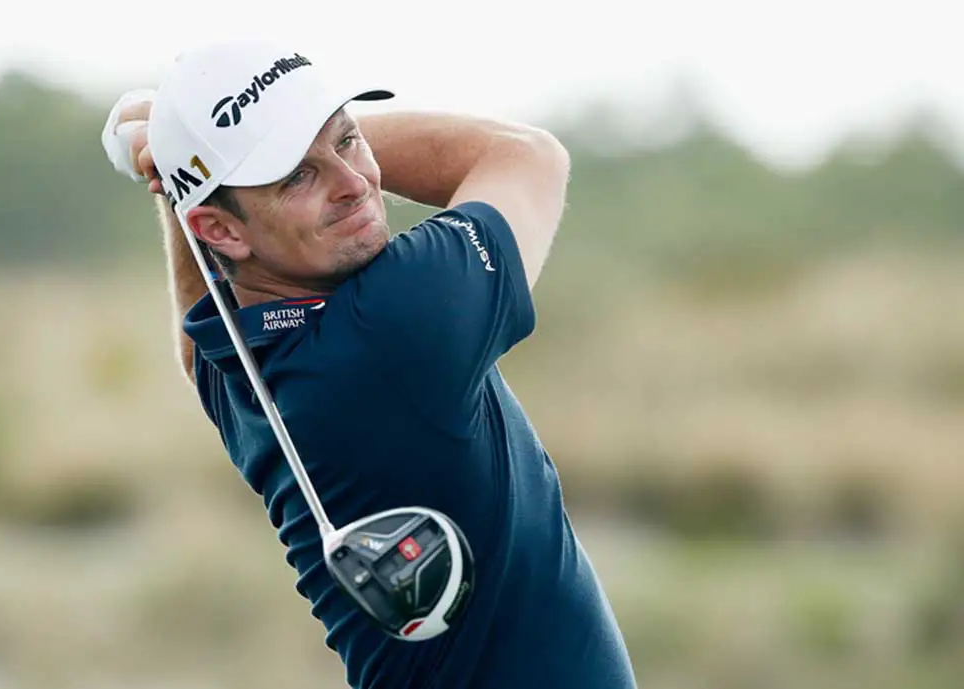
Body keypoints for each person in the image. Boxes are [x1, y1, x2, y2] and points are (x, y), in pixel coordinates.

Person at [104, 38, 637, 689]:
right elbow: (525, 155)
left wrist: (190, 166)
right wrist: (194, 151)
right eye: (297, 175)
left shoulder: (241, 359)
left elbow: (198, 340)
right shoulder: (396, 326)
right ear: (221, 230)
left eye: (348, 138)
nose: (354, 183)